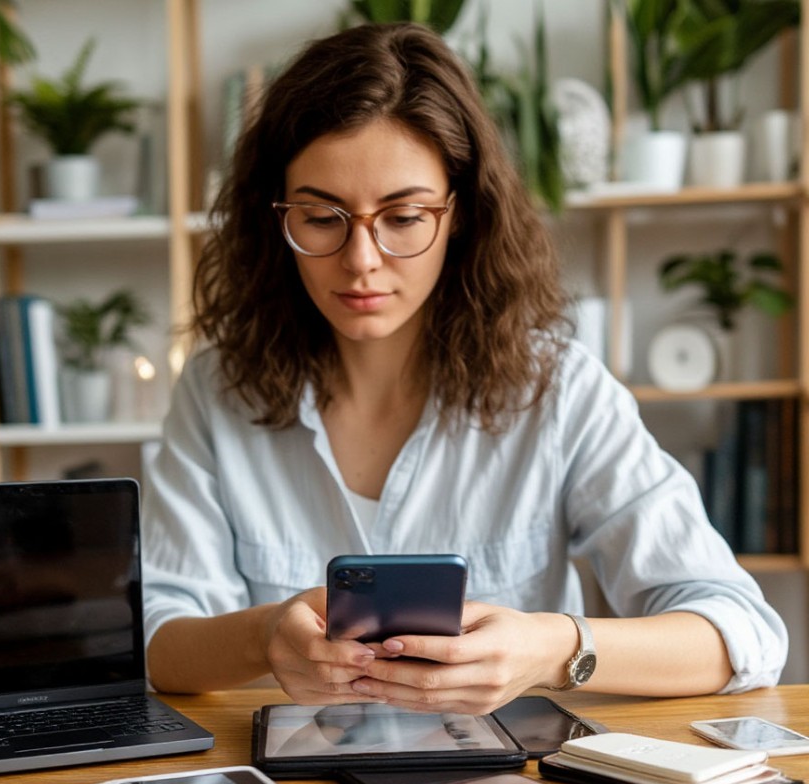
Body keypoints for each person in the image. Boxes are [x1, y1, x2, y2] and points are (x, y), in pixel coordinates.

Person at [141, 22, 787, 712]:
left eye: (404, 217)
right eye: (323, 217)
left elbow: (740, 632)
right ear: (275, 220)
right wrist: (263, 635)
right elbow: (155, 639)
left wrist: (553, 649)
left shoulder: (559, 388)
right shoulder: (216, 392)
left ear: (460, 216)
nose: (362, 259)